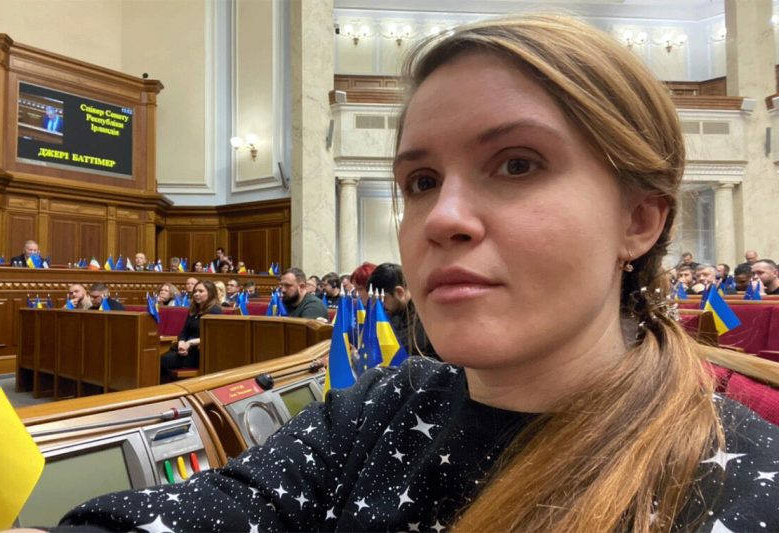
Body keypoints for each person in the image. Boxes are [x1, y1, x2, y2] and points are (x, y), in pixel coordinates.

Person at [57, 15, 779, 532]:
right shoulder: (377, 408)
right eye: (421, 181)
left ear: (639, 220)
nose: (441, 218)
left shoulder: (745, 486)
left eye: (517, 164)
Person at [367, 262, 437, 358]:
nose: (379, 307)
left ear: (399, 292)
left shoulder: (425, 318)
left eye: (382, 299)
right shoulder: (399, 313)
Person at [159, 280, 222, 382]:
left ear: (210, 293)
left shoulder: (215, 311)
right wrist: (181, 343)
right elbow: (184, 331)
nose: (196, 294)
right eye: (195, 291)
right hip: (185, 350)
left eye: (201, 291)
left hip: (200, 353)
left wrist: (190, 343)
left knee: (162, 361)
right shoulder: (194, 310)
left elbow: (212, 336)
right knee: (158, 360)